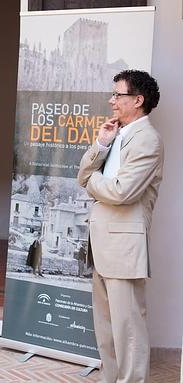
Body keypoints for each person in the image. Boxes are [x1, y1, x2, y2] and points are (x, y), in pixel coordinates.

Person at [77, 69, 163, 383]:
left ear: (137, 100)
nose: (111, 100)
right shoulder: (118, 134)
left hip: (124, 249)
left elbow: (121, 192)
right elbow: (84, 173)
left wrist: (91, 181)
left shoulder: (148, 140)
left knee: (128, 330)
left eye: (118, 95)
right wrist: (101, 144)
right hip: (102, 245)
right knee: (107, 328)